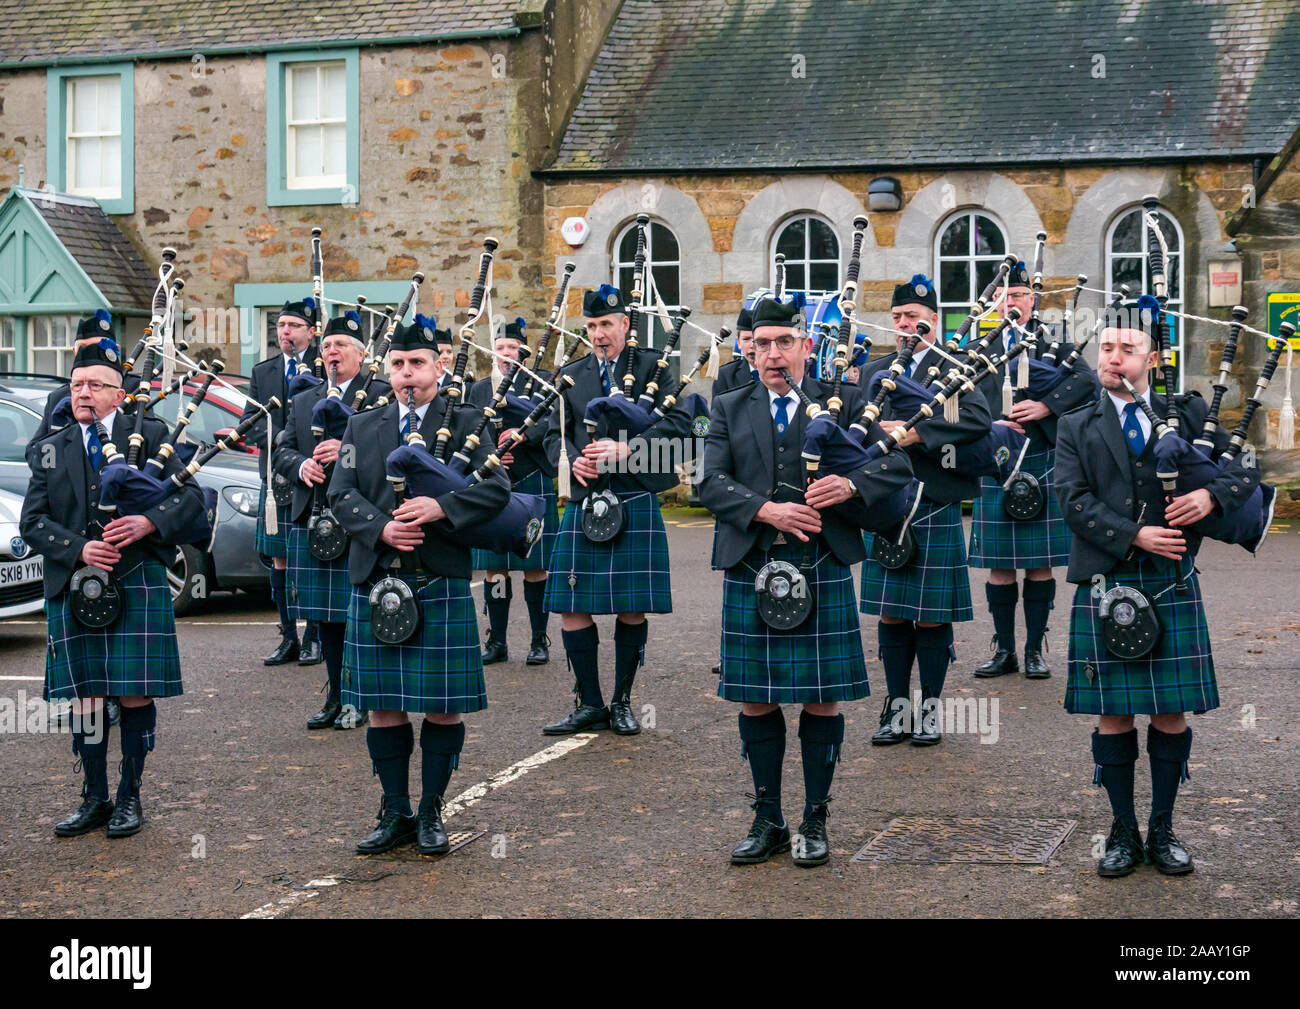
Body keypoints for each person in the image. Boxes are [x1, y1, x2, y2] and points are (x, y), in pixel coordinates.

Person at [702, 296, 914, 866]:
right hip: (753, 561)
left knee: (821, 698)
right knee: (754, 698)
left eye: (784, 343)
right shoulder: (727, 404)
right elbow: (711, 482)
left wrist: (852, 487)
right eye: (763, 343)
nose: (773, 354)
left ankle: (815, 818)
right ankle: (767, 817)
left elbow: (895, 465)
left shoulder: (839, 402)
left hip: (821, 562)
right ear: (750, 348)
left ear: (806, 346)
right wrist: (766, 511)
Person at [1054, 301, 1258, 878]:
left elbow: (1246, 470)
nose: (1114, 358)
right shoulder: (1076, 423)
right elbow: (1071, 501)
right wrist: (1135, 534)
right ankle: (1122, 829)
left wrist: (1212, 497)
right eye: (1107, 347)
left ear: (1153, 358)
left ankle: (1163, 828)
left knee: (1170, 711)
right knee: (1114, 713)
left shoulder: (1189, 414)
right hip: (1108, 577)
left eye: (1128, 349)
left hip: (1171, 583)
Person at [328, 315, 511, 855]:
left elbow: (497, 488)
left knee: (442, 704)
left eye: (418, 364)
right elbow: (340, 494)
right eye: (398, 365)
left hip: (439, 578)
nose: (408, 375)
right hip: (378, 576)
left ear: (439, 366)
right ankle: (395, 810)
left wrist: (442, 506)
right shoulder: (362, 426)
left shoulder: (472, 420)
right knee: (383, 705)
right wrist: (380, 526)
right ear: (387, 370)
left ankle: (432, 810)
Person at [20, 331, 208, 838]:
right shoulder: (51, 448)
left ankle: (130, 796)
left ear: (118, 392)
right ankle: (95, 797)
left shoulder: (150, 432)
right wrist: (77, 548)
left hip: (135, 577)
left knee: (131, 695)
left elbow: (193, 502)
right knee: (85, 698)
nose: (82, 393)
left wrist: (149, 523)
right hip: (73, 584)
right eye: (77, 384)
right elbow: (32, 523)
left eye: (95, 385)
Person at [540, 284, 694, 736]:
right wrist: (572, 462)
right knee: (572, 604)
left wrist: (629, 451)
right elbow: (554, 435)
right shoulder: (571, 373)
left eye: (606, 324)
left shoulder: (653, 367)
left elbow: (682, 427)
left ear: (625, 323)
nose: (599, 334)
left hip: (633, 495)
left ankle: (623, 701)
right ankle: (589, 703)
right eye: (591, 326)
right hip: (587, 499)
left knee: (631, 606)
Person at [859, 275, 992, 746]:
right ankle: (897, 709)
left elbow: (977, 421)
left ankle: (931, 710)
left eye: (913, 317)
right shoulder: (873, 370)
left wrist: (920, 432)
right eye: (897, 318)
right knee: (892, 615)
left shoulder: (953, 367)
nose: (904, 324)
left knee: (932, 616)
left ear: (933, 321)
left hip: (932, 501)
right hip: (886, 505)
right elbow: (855, 425)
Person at [968, 262, 1098, 679]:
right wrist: (988, 423)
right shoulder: (980, 346)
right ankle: (1004, 649)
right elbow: (963, 395)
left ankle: (1034, 650)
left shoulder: (1056, 342)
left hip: (1041, 456)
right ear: (994, 301)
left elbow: (1087, 383)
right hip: (996, 459)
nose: (1012, 302)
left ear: (1032, 300)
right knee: (1000, 564)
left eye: (1020, 295)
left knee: (1040, 564)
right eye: (1004, 295)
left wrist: (1047, 406)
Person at [273, 310, 389, 731]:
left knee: (360, 615)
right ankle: (337, 697)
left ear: (360, 354)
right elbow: (281, 451)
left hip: (360, 519)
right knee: (326, 618)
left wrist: (345, 450)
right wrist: (302, 466)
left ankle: (362, 698)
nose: (331, 354)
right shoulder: (304, 400)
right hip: (315, 518)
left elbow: (390, 451)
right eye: (326, 347)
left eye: (339, 346)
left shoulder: (380, 395)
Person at [466, 317, 557, 666]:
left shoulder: (541, 383)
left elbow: (553, 422)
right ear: (493, 353)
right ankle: (499, 640)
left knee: (535, 567)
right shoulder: (478, 390)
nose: (506, 354)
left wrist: (525, 434)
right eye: (501, 348)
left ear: (524, 352)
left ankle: (538, 640)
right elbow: (468, 427)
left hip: (532, 476)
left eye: (512, 349)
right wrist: (486, 456)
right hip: (492, 483)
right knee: (496, 570)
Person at [240, 298, 322, 667]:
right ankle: (289, 636)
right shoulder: (264, 372)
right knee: (280, 560)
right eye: (280, 325)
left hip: (314, 475)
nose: (284, 331)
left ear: (311, 332)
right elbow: (250, 423)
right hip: (276, 479)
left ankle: (315, 638)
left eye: (292, 325)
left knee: (317, 555)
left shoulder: (326, 367)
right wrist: (283, 438)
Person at [711, 306, 757, 395]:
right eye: (746, 339)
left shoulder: (782, 373)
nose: (752, 345)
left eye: (757, 339)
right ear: (738, 343)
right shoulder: (725, 376)